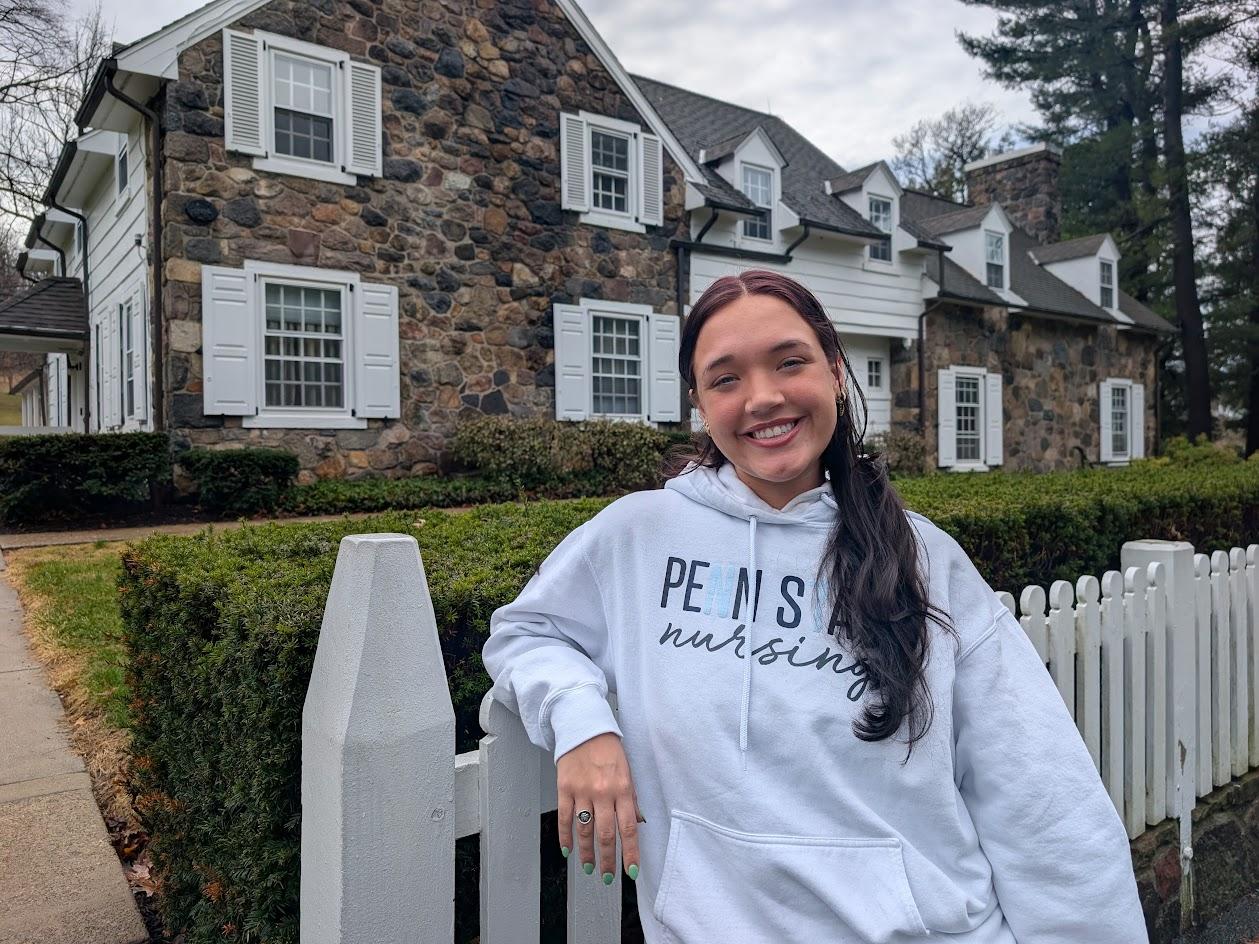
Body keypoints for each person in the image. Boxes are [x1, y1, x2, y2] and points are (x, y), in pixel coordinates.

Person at [481, 269, 1148, 943]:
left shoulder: (923, 559)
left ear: (834, 370)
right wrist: (581, 722)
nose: (762, 398)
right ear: (699, 403)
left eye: (789, 362)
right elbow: (527, 632)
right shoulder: (636, 537)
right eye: (725, 378)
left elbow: (1040, 798)